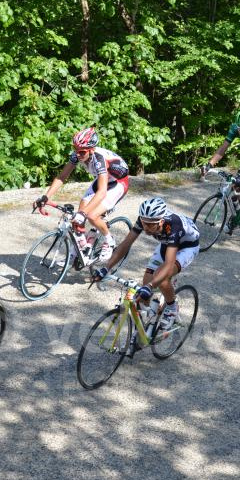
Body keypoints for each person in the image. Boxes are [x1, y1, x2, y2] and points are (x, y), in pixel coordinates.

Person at [93, 197, 199, 331]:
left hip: (186, 247)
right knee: (145, 286)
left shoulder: (172, 226)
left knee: (161, 278)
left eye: (150, 225)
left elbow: (168, 263)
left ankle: (172, 308)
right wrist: (106, 268)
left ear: (160, 222)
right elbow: (126, 244)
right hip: (167, 243)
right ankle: (146, 325)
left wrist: (151, 285)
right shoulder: (145, 219)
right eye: (144, 223)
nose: (146, 228)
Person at [33, 127, 129, 263]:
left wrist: (84, 213)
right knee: (77, 217)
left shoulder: (99, 159)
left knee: (90, 215)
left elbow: (101, 192)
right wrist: (45, 197)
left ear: (92, 150)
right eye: (75, 150)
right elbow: (62, 176)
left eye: (82, 152)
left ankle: (109, 240)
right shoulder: (78, 154)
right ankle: (80, 249)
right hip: (104, 180)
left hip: (118, 182)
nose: (78, 155)